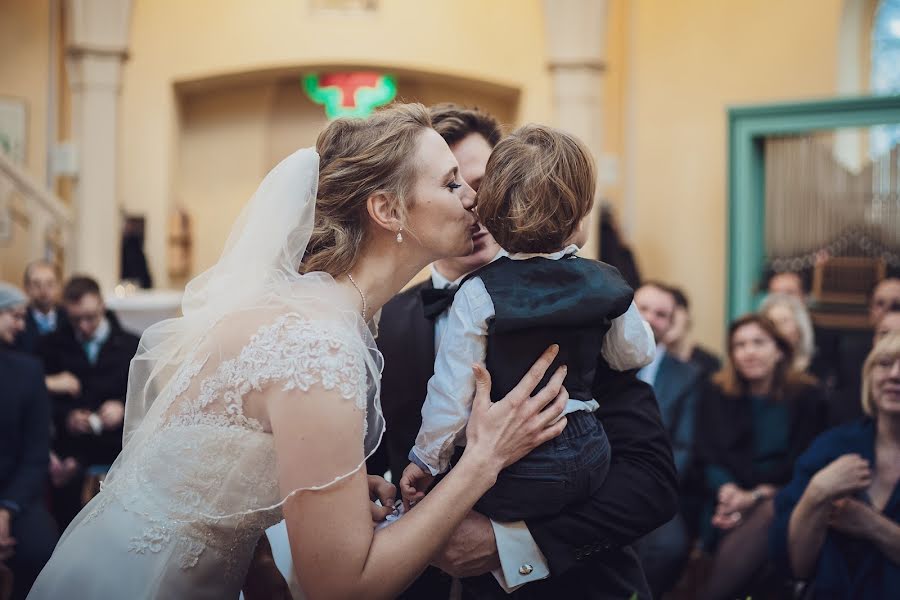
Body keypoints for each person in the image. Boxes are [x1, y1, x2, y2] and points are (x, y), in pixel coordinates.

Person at [28, 103, 572, 600]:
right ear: (388, 209)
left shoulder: (311, 312)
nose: (473, 197)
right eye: (452, 183)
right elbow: (341, 588)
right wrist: (484, 460)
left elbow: (218, 475)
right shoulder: (317, 343)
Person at [376, 104, 678, 600]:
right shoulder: (382, 322)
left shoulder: (582, 301)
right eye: (454, 186)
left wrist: (510, 544)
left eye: (485, 183)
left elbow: (652, 483)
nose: (474, 202)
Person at [694, 314, 828, 600]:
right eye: (739, 345)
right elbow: (707, 452)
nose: (748, 351)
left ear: (779, 350)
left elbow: (808, 460)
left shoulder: (807, 395)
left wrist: (756, 495)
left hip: (783, 493)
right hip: (723, 496)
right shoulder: (716, 390)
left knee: (769, 512)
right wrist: (728, 491)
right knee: (729, 522)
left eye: (758, 342)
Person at [771, 332, 900, 599]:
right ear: (869, 376)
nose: (894, 374)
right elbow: (798, 568)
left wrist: (873, 525)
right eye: (884, 363)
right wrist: (816, 493)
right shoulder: (833, 446)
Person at [36, 276, 140, 529]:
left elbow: (149, 396)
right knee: (67, 522)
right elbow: (39, 402)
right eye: (75, 319)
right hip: (72, 448)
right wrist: (67, 417)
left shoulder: (131, 344)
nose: (83, 326)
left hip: (117, 448)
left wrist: (124, 408)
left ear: (102, 306)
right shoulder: (50, 345)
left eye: (90, 317)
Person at [632, 281, 704, 598]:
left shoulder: (687, 376)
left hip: (654, 485)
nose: (649, 318)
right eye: (643, 308)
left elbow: (685, 446)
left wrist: (649, 486)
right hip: (593, 479)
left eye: (661, 314)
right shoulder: (594, 359)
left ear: (671, 323)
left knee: (670, 548)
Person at [0, 283, 58, 599]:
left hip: (16, 494)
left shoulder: (27, 371)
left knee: (41, 549)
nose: (22, 326)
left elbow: (36, 453)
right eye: (14, 316)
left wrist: (6, 510)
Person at [664, 286, 720, 379]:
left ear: (687, 315)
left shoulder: (709, 363)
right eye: (662, 314)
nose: (669, 317)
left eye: (675, 309)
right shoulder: (649, 364)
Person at [14, 261, 67, 355]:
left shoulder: (70, 317)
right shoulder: (17, 320)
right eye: (36, 284)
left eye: (50, 284)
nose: (44, 290)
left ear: (59, 287)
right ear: (26, 287)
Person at [760, 293, 816, 374]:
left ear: (800, 327)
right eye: (772, 323)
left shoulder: (817, 367)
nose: (777, 328)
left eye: (784, 321)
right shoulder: (758, 371)